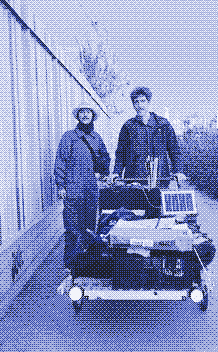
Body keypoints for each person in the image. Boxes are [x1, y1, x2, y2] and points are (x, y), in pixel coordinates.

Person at [54, 102, 110, 273]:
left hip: (91, 192)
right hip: (72, 191)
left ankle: (87, 264)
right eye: (82, 112)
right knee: (72, 229)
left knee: (89, 229)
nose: (85, 115)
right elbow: (60, 161)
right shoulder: (69, 137)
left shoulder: (97, 138)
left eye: (88, 112)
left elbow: (105, 158)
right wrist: (60, 185)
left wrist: (103, 172)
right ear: (77, 116)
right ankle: (70, 266)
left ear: (93, 116)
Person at [112, 86, 186, 188]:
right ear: (133, 104)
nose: (140, 105)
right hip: (134, 179)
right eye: (136, 102)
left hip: (160, 178)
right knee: (134, 203)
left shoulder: (163, 124)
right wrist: (116, 173)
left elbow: (174, 150)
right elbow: (121, 153)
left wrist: (178, 171)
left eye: (143, 101)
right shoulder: (128, 126)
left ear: (148, 102)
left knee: (158, 203)